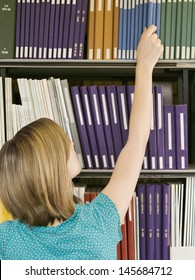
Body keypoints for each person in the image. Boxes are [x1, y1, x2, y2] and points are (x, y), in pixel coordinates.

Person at [0, 25, 163, 260]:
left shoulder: (7, 239)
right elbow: (137, 142)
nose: (72, 144)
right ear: (52, 168)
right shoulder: (99, 221)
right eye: (65, 143)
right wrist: (145, 66)